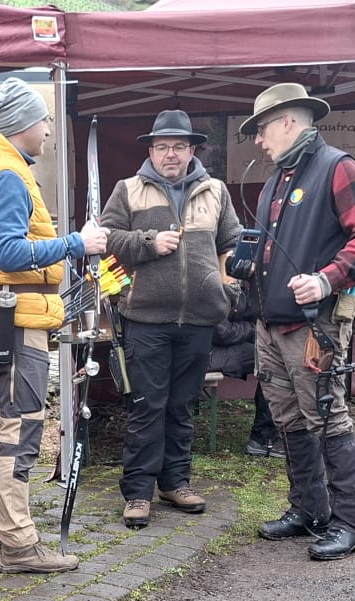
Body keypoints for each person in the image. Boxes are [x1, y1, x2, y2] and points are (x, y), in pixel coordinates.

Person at [0, 77, 107, 571]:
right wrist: (75, 243)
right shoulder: (6, 173)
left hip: (5, 315)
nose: (47, 129)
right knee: (20, 426)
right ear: (23, 123)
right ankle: (19, 543)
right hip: (18, 319)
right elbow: (8, 252)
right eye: (43, 120)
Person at [233, 83, 355, 563]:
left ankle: (352, 524)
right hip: (271, 324)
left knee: (327, 417)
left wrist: (325, 280)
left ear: (287, 121)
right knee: (288, 419)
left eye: (261, 130)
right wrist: (249, 266)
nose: (259, 141)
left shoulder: (338, 168)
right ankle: (310, 511)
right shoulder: (278, 180)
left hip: (313, 326)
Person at [98, 109, 241, 529]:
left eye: (179, 146)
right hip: (146, 318)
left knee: (182, 405)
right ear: (151, 151)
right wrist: (148, 242)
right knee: (147, 406)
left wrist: (228, 290)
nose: (170, 154)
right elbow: (106, 239)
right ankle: (138, 491)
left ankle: (175, 483)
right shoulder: (128, 190)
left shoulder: (216, 191)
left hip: (199, 319)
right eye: (162, 147)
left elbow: (232, 244)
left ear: (193, 150)